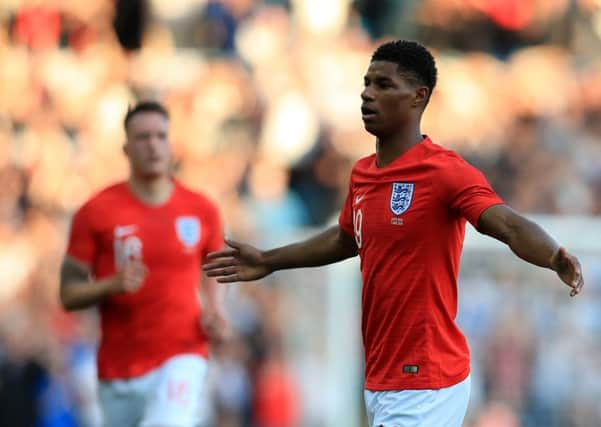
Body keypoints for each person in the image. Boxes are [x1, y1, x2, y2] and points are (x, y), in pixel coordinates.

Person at [203, 40, 584, 427]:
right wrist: (269, 260)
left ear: (418, 97)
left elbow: (507, 223)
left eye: (384, 85)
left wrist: (553, 255)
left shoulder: (444, 171)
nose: (367, 94)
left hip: (425, 374)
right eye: (367, 83)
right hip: (384, 374)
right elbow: (346, 239)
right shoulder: (363, 173)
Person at [60, 100, 228, 427]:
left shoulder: (201, 209)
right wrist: (111, 284)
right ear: (126, 148)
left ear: (171, 144)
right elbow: (68, 293)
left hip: (183, 351)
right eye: (142, 137)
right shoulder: (96, 212)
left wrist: (215, 308)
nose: (153, 145)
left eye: (160, 136)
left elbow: (214, 269)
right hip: (118, 367)